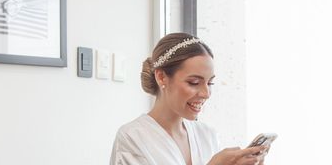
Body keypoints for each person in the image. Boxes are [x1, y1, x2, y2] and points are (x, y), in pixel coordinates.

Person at [110, 32, 267, 165]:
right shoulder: (132, 137)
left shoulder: (207, 135)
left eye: (210, 83)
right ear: (161, 77)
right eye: (194, 82)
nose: (206, 93)